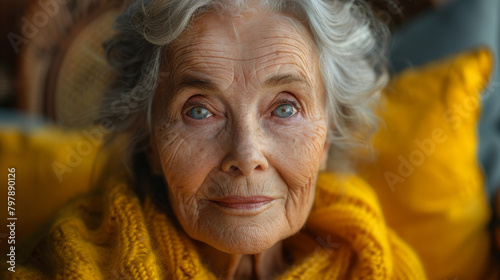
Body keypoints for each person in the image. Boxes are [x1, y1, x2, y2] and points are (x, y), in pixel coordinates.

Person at [5, 0, 429, 279]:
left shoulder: (378, 263)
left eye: (284, 108)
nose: (245, 154)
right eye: (199, 110)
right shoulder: (65, 266)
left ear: (327, 137)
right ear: (150, 140)